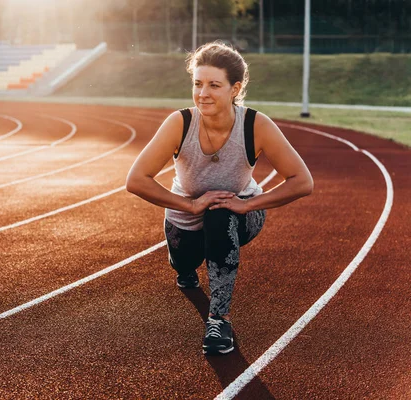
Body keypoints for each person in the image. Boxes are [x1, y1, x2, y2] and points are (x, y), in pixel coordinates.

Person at [126, 41, 313, 355]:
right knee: (184, 263)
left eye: (214, 85)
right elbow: (136, 180)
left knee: (219, 215)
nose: (203, 93)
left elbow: (302, 181)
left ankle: (218, 319)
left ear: (234, 88)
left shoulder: (255, 125)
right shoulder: (180, 123)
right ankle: (184, 265)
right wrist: (190, 205)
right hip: (185, 215)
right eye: (198, 84)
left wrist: (248, 203)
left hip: (238, 214)